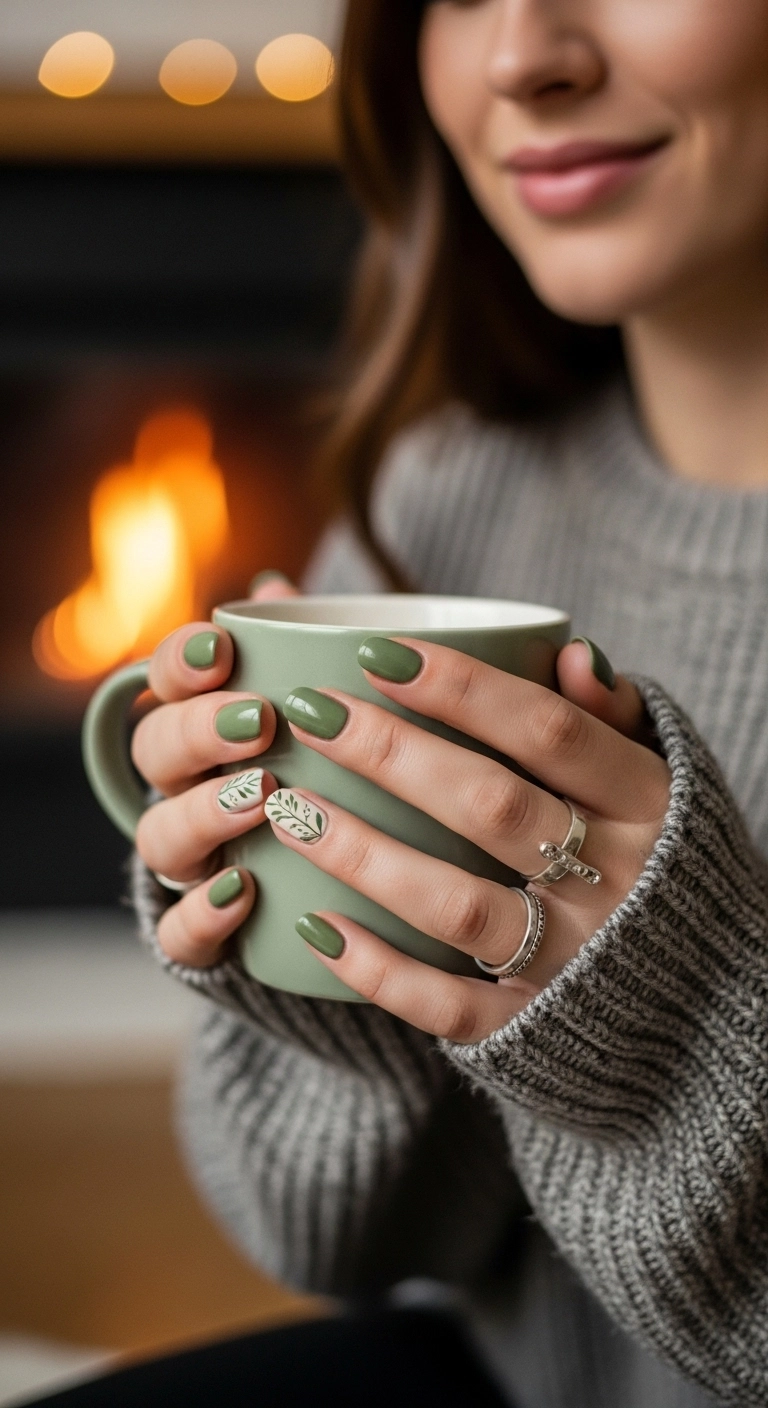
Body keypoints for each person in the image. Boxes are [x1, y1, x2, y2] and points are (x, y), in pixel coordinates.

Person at [51, 1, 768, 1404]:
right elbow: (334, 1238)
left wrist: (675, 1027)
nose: (520, 57)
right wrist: (335, 968)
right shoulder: (437, 501)